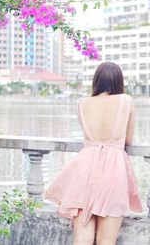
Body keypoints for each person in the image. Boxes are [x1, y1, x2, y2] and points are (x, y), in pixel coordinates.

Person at [43, 62, 143, 245]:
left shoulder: (82, 103)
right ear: (119, 81)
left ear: (96, 81)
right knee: (106, 240)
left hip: (85, 168)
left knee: (81, 239)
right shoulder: (126, 100)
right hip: (114, 169)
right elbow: (128, 140)